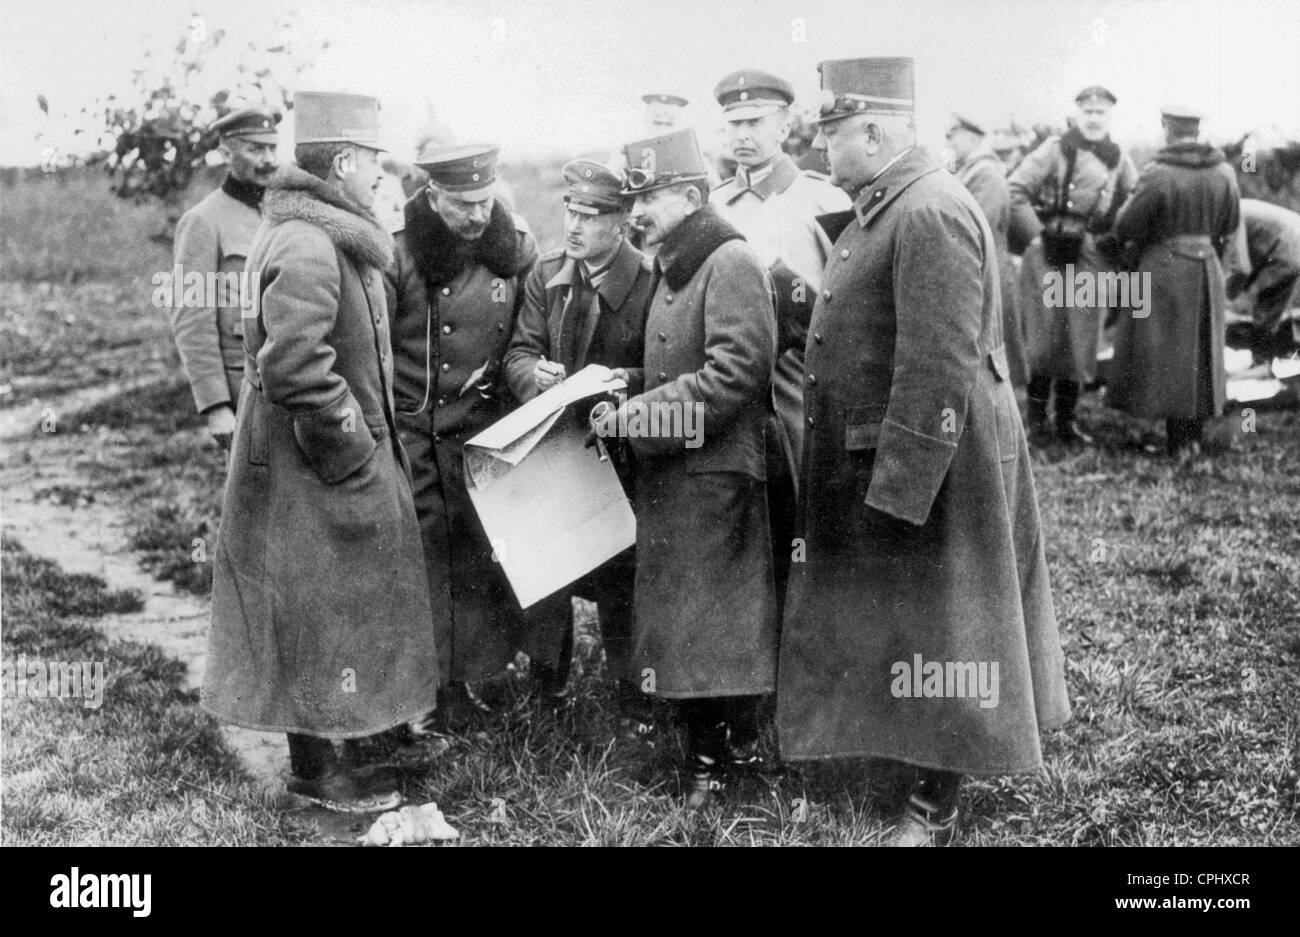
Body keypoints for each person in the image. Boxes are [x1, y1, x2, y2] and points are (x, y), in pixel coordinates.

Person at [775, 57, 1070, 847]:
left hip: (937, 456)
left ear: (874, 131)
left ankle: (935, 798)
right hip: (907, 449)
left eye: (832, 134)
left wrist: (904, 488)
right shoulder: (893, 203)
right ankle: (905, 753)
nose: (823, 150)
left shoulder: (928, 211)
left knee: (948, 625)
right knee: (917, 619)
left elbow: (939, 361)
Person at [202, 92, 440, 813]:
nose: (379, 176)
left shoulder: (329, 232)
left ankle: (356, 737)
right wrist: (354, 449)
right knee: (311, 606)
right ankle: (320, 766)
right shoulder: (308, 242)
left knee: (338, 602)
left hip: (322, 463)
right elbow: (296, 364)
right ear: (341, 163)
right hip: (312, 466)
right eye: (371, 162)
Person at [596, 127, 778, 808]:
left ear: (694, 195)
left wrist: (639, 418)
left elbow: (735, 375)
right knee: (688, 621)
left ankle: (721, 761)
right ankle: (708, 751)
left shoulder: (727, 260)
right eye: (632, 195)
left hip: (718, 476)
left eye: (649, 195)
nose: (635, 211)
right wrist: (627, 383)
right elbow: (684, 365)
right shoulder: (677, 262)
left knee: (713, 626)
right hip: (683, 474)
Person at [385, 142, 543, 724]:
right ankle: (419, 692)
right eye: (461, 204)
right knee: (422, 560)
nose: (477, 216)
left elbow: (531, 326)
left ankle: (463, 685)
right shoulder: (398, 253)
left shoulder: (516, 249)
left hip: (480, 426)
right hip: (413, 432)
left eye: (484, 200)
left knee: (476, 559)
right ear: (431, 195)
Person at [502, 159, 654, 715]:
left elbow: (664, 369)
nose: (573, 226)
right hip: (557, 452)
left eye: (589, 216)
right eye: (570, 211)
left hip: (624, 454)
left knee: (623, 575)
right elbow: (519, 351)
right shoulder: (547, 274)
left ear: (623, 220)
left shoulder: (652, 281)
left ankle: (633, 695)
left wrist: (625, 384)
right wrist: (531, 376)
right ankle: (550, 688)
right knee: (548, 567)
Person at [1109, 105, 1242, 458]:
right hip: (1207, 265)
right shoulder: (1225, 171)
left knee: (1169, 354)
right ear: (1198, 131)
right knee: (1201, 351)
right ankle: (1191, 437)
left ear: (1166, 127)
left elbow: (1126, 226)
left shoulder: (1158, 173)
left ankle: (1178, 441)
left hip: (1164, 268)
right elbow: (1230, 224)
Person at [1009, 86, 1138, 444]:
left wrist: (1114, 234)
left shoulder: (1118, 157)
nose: (1094, 119)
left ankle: (1066, 422)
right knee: (1044, 338)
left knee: (1080, 339)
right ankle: (1036, 422)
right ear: (1078, 114)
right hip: (1049, 253)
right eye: (1088, 113)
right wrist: (1035, 235)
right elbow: (1015, 189)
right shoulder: (1056, 149)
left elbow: (1137, 196)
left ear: (1110, 117)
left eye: (1101, 113)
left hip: (1090, 255)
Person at [170, 106, 279, 447]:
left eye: (272, 148)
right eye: (255, 149)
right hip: (240, 387)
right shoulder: (203, 221)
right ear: (226, 153)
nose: (268, 160)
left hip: (286, 383)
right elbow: (191, 321)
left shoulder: (282, 215)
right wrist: (216, 405)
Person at [947, 112, 1029, 389]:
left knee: (993, 360)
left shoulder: (987, 174)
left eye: (953, 136)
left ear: (972, 138)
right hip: (976, 271)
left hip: (986, 272)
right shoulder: (971, 170)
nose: (949, 142)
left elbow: (976, 229)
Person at [1225, 198, 1300, 359]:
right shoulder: (1236, 209)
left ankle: (1261, 363)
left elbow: (1240, 267)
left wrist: (1235, 296)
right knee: (1267, 317)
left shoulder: (1229, 217)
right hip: (1287, 246)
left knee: (1264, 317)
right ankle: (1263, 360)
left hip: (1286, 251)